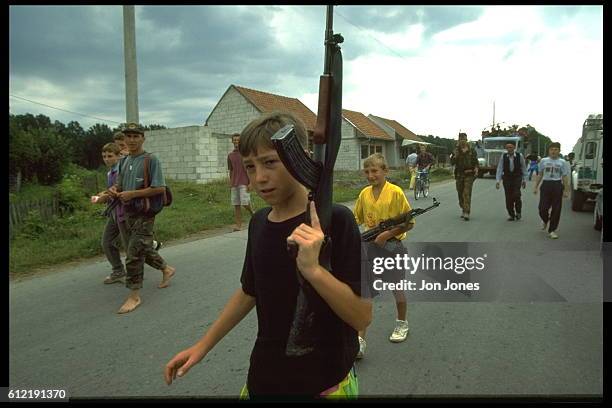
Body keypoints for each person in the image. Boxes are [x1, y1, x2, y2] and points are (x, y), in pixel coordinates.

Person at [164, 112, 371, 398]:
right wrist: (202, 346)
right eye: (250, 167)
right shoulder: (259, 222)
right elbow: (250, 291)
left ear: (302, 157)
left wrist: (314, 270)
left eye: (270, 162)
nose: (259, 178)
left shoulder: (337, 220)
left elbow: (361, 316)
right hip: (265, 378)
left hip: (325, 383)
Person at [107, 123, 176, 314]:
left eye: (135, 136)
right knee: (142, 248)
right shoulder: (124, 161)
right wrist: (115, 190)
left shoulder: (150, 160)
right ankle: (166, 268)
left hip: (145, 213)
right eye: (128, 136)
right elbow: (120, 186)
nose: (131, 139)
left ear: (142, 138)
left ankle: (134, 296)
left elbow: (160, 188)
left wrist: (133, 194)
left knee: (133, 254)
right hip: (127, 212)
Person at [353, 153, 414, 359]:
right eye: (367, 171)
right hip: (369, 249)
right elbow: (356, 218)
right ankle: (360, 340)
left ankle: (401, 323)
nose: (371, 175)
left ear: (385, 171)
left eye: (375, 171)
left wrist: (387, 234)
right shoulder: (364, 194)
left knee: (397, 288)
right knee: (365, 291)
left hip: (392, 248)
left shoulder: (396, 192)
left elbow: (409, 222)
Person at [91, 142, 130, 284]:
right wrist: (102, 194)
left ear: (118, 156)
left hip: (123, 213)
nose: (106, 159)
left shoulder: (120, 171)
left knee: (130, 246)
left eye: (110, 156)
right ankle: (118, 270)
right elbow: (110, 189)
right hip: (114, 213)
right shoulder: (110, 172)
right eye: (104, 156)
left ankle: (162, 267)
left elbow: (116, 190)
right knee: (107, 242)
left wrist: (103, 198)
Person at [533, 142, 570, 239]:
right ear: (548, 151)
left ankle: (552, 230)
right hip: (546, 184)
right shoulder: (543, 161)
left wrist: (566, 190)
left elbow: (565, 176)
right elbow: (540, 174)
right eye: (552, 149)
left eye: (556, 149)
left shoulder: (562, 162)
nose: (553, 151)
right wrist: (535, 186)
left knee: (556, 209)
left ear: (559, 151)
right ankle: (545, 220)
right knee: (542, 208)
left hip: (557, 185)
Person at [228, 133, 254, 231]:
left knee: (245, 203)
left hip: (244, 182)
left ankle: (253, 213)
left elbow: (250, 168)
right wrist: (230, 182)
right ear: (232, 141)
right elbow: (231, 170)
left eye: (238, 140)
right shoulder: (230, 156)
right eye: (234, 140)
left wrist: (251, 182)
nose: (236, 142)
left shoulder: (245, 154)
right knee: (236, 205)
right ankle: (238, 225)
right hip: (235, 183)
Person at [495, 142, 527, 221]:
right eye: (508, 147)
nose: (509, 149)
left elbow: (524, 168)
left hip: (517, 178)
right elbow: (500, 168)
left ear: (514, 148)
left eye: (511, 147)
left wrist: (524, 180)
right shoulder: (504, 156)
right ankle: (511, 214)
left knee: (516, 195)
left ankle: (518, 212)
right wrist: (498, 181)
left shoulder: (520, 156)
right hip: (507, 178)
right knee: (508, 197)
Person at [450, 134, 479, 221]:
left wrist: (476, 169)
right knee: (460, 193)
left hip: (469, 174)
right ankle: (463, 208)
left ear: (467, 140)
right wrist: (455, 156)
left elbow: (475, 161)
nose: (463, 141)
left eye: (464, 139)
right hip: (459, 175)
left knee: (466, 193)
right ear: (459, 140)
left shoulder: (472, 150)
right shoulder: (456, 151)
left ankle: (467, 212)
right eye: (461, 139)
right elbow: (452, 162)